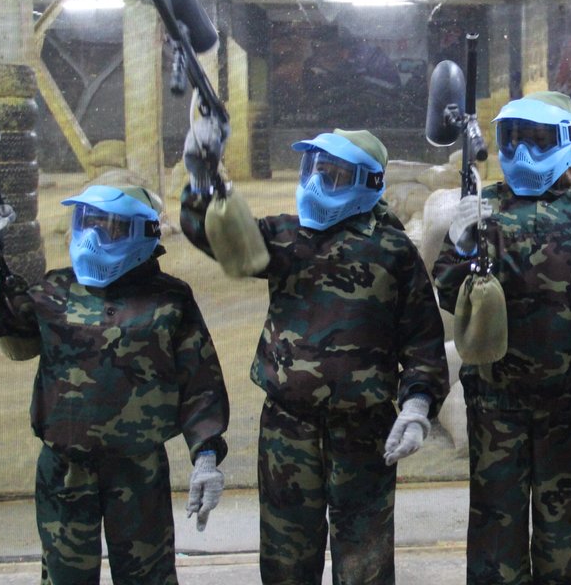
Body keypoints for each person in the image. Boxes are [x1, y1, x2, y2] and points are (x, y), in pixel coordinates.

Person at [179, 119, 449, 584]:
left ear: (368, 183)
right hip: (287, 427)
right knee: (285, 556)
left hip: (364, 430)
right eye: (314, 169)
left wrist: (417, 405)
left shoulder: (392, 252)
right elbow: (218, 237)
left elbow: (422, 340)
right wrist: (202, 178)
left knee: (364, 558)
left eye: (335, 174)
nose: (318, 183)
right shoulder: (286, 237)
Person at [0, 183, 230, 584]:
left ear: (144, 233)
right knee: (65, 575)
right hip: (65, 467)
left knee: (148, 575)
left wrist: (206, 456)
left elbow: (201, 381)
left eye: (111, 227)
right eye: (87, 222)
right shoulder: (56, 290)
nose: (94, 237)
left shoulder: (169, 299)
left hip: (138, 468)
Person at [433, 91, 571, 584]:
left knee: (563, 533)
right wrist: (460, 246)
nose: (523, 154)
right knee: (495, 531)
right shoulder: (483, 208)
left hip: (569, 406)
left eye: (538, 140)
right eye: (512, 140)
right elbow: (450, 295)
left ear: (566, 142)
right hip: (495, 403)